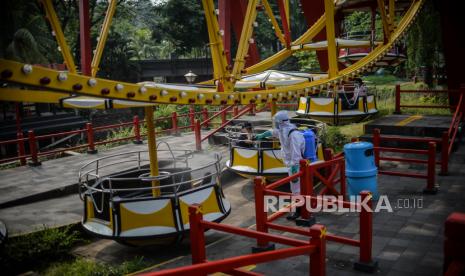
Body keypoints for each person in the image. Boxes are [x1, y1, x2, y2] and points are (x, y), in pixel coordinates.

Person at [256, 111, 305, 220]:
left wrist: (294, 169)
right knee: (295, 188)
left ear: (281, 122)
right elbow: (274, 132)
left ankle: (299, 211)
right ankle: (299, 208)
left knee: (296, 188)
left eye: (277, 122)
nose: (276, 124)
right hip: (291, 164)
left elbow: (296, 154)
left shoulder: (293, 134)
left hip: (296, 165)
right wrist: (263, 135)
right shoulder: (284, 130)